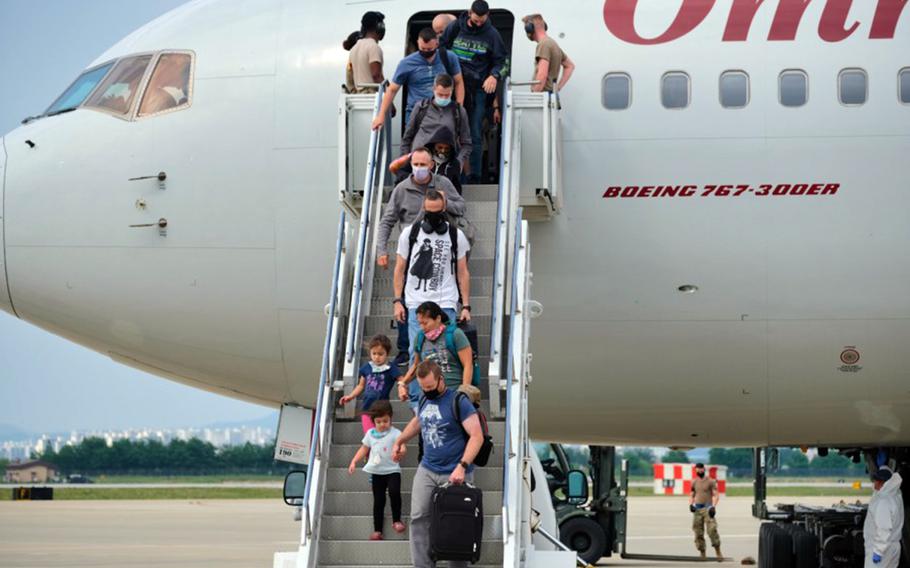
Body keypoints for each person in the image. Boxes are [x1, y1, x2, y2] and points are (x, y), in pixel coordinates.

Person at [391, 360, 484, 568]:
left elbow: (476, 436)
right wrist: (400, 440)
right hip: (428, 468)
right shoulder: (424, 398)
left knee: (457, 522)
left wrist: (462, 465)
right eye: (423, 388)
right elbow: (419, 421)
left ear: (441, 379)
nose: (427, 391)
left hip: (455, 470)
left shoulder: (458, 401)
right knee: (418, 517)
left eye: (431, 387)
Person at [377, 149, 466, 365]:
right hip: (410, 248)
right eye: (415, 164)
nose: (418, 168)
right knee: (407, 300)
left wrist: (445, 202)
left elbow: (461, 207)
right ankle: (405, 349)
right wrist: (381, 250)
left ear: (431, 165)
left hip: (441, 245)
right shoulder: (401, 189)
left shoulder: (442, 183)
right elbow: (387, 220)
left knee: (448, 283)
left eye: (422, 164)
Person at [393, 191, 471, 364]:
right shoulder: (410, 233)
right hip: (415, 302)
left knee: (447, 353)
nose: (434, 216)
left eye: (437, 212)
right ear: (423, 208)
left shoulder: (456, 235)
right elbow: (399, 268)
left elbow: (463, 272)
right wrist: (398, 301)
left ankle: (447, 390)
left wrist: (466, 306)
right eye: (430, 211)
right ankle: (416, 392)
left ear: (444, 208)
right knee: (416, 351)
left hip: (446, 303)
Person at [439, 0, 508, 182]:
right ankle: (449, 175)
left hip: (477, 90)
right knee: (449, 130)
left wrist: (494, 75)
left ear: (487, 16)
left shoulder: (492, 34)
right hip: (454, 85)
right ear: (470, 13)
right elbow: (441, 49)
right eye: (476, 20)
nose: (479, 23)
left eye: (482, 20)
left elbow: (502, 62)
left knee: (474, 133)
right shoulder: (455, 27)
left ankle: (474, 177)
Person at [372, 28, 465, 130]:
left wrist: (458, 109)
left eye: (429, 49)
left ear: (437, 44)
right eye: (422, 49)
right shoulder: (406, 63)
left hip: (443, 113)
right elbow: (392, 90)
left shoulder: (449, 57)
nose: (426, 52)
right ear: (418, 43)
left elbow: (459, 82)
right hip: (416, 114)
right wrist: (381, 116)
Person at [347, 400, 406, 540]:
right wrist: (354, 461)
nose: (382, 425)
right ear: (373, 421)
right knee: (378, 500)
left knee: (394, 493)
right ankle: (377, 530)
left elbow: (402, 446)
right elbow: (364, 448)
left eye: (385, 421)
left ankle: (396, 520)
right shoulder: (370, 434)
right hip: (377, 472)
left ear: (391, 418)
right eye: (378, 422)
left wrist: (401, 452)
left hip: (392, 470)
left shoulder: (396, 433)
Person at [397, 301, 473, 411]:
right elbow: (416, 365)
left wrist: (464, 394)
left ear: (438, 318)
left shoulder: (455, 334)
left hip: (454, 393)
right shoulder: (420, 338)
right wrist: (402, 383)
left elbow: (468, 364)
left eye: (426, 323)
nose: (422, 327)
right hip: (430, 396)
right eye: (420, 324)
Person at [400, 74, 471, 183]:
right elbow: (407, 137)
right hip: (420, 161)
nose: (443, 98)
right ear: (433, 89)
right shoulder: (421, 107)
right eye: (440, 94)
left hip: (445, 164)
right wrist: (406, 160)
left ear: (452, 91)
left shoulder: (458, 112)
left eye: (447, 95)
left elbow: (466, 143)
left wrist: (459, 162)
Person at [339, 334, 401, 433]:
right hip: (367, 408)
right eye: (374, 353)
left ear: (387, 353)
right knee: (370, 436)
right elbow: (361, 385)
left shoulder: (390, 368)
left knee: (383, 435)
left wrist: (402, 387)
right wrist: (350, 396)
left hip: (383, 409)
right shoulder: (367, 367)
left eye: (381, 354)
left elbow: (401, 379)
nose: (377, 357)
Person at [522, 14, 575, 93]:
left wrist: (535, 97)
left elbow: (542, 75)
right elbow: (570, 66)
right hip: (550, 96)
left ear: (530, 28)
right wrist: (558, 87)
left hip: (543, 98)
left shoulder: (544, 44)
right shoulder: (552, 43)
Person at [864, 467, 904, 567]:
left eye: (877, 480)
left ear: (883, 483)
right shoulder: (895, 495)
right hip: (892, 546)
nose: (874, 483)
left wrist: (878, 551)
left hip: (882, 548)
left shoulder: (884, 501)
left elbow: (884, 528)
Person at [343, 12, 386, 94]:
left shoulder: (354, 49)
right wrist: (389, 93)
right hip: (372, 99)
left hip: (360, 101)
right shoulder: (373, 47)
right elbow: (376, 76)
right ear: (380, 27)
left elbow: (350, 79)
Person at [688, 463, 722, 560]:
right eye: (698, 469)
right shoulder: (694, 482)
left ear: (704, 469)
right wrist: (691, 504)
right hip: (697, 509)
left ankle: (718, 552)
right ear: (696, 470)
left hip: (708, 508)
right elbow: (691, 494)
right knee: (698, 532)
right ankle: (702, 553)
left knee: (712, 530)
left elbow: (716, 495)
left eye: (701, 468)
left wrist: (713, 507)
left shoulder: (710, 481)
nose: (699, 470)